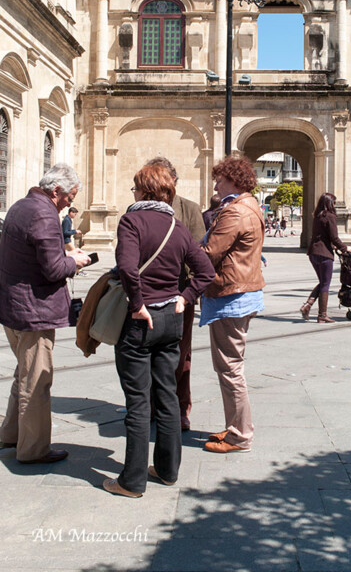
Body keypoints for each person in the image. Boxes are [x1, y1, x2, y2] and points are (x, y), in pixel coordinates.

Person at [103, 164, 214, 498]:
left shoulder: (131, 220)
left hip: (141, 321)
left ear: (145, 191)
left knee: (138, 402)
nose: (133, 194)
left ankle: (132, 482)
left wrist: (137, 303)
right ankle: (167, 471)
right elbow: (205, 271)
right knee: (167, 397)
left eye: (136, 188)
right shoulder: (177, 226)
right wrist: (185, 298)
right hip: (171, 320)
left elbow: (126, 267)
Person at [0, 163, 90, 463]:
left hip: (13, 306)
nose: (70, 202)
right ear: (56, 191)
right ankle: (33, 449)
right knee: (36, 381)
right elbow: (53, 269)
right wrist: (77, 261)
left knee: (22, 374)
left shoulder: (19, 206)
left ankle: (11, 434)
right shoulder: (44, 214)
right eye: (70, 196)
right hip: (33, 311)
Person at [200, 156, 265, 454]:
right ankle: (236, 425)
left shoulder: (235, 212)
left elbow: (209, 253)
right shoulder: (251, 206)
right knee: (230, 365)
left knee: (229, 367)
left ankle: (240, 435)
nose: (215, 184)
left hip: (231, 295)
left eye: (220, 179)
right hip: (243, 292)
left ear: (234, 180)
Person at [146, 157, 206, 432]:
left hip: (179, 297)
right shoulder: (139, 211)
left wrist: (189, 296)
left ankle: (180, 407)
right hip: (146, 298)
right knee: (145, 355)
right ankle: (148, 405)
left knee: (182, 356)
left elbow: (200, 257)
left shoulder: (190, 210)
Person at [300, 192, 348, 323]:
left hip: (313, 253)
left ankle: (308, 305)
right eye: (333, 202)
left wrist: (333, 245)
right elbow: (334, 237)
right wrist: (345, 248)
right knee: (325, 284)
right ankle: (322, 315)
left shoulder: (317, 216)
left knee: (322, 282)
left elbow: (322, 235)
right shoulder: (330, 216)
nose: (334, 205)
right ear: (329, 203)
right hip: (324, 254)